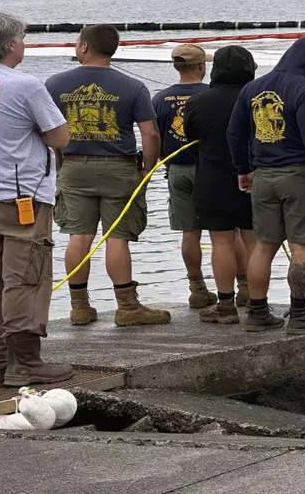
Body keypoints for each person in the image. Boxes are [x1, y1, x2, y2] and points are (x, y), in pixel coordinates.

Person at [0, 11, 74, 386]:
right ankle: (26, 363)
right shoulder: (25, 85)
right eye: (21, 38)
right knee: (26, 279)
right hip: (23, 198)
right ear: (9, 45)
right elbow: (60, 137)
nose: (24, 44)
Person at [46, 24, 170, 327]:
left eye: (77, 43)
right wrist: (147, 169)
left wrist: (62, 161)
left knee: (78, 236)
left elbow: (48, 131)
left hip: (74, 167)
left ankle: (79, 307)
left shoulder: (54, 84)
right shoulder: (133, 86)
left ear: (85, 47)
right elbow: (150, 133)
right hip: (120, 167)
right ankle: (127, 307)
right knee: (117, 238)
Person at [227, 36, 305, 334]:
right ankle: (301, 314)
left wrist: (243, 169)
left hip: (264, 176)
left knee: (264, 245)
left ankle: (257, 313)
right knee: (302, 246)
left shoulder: (252, 89)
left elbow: (235, 134)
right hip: (301, 177)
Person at [184, 46, 259, 324]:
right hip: (254, 178)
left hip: (213, 179)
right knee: (255, 242)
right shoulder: (257, 99)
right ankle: (256, 301)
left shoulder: (199, 102)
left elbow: (190, 136)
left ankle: (226, 305)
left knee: (222, 242)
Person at [153, 43, 216, 309]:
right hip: (211, 169)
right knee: (225, 233)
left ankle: (197, 288)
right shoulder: (213, 94)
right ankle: (241, 287)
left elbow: (153, 136)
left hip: (176, 170)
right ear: (202, 66)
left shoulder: (159, 99)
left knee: (190, 233)